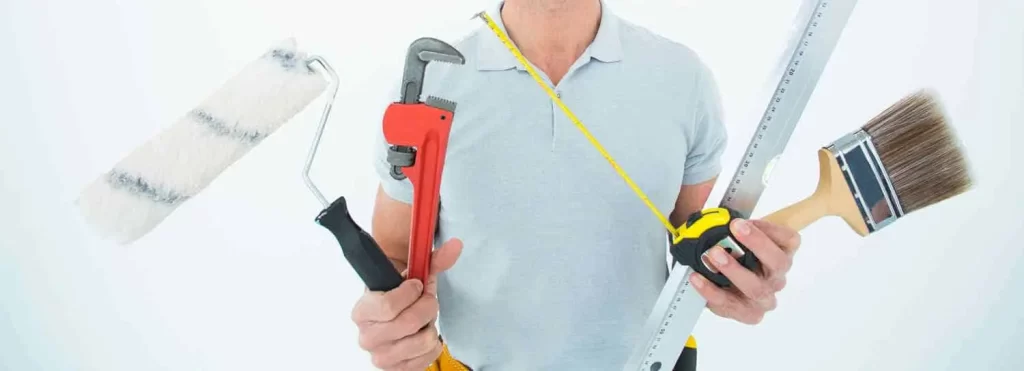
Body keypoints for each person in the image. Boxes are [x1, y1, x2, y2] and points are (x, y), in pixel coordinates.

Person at [351, 0, 802, 370]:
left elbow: (698, 247)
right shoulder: (430, 85)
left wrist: (742, 279)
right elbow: (393, 256)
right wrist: (392, 324)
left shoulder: (682, 79)